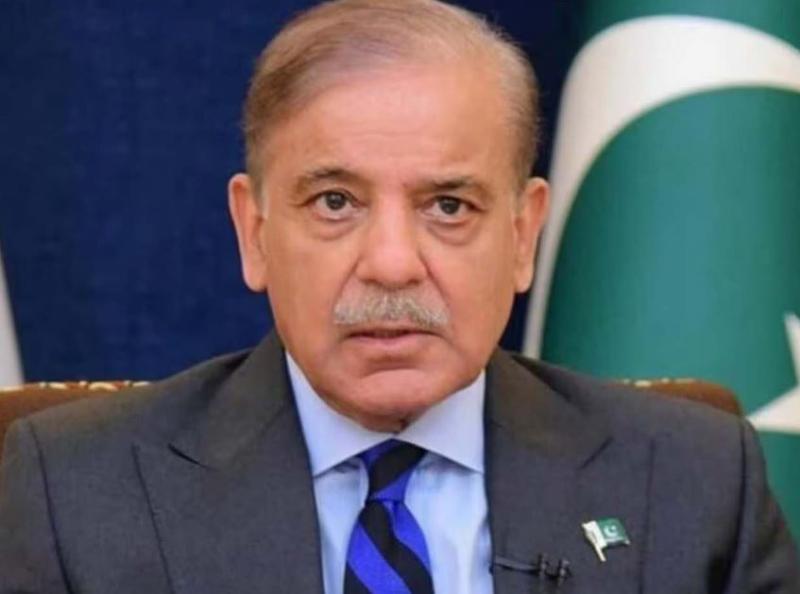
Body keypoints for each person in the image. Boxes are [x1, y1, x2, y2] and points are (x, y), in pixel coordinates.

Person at [0, 0, 798, 592]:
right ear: (254, 231)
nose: (390, 264)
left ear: (523, 235)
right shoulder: (75, 492)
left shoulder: (691, 481)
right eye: (335, 203)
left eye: (448, 206)